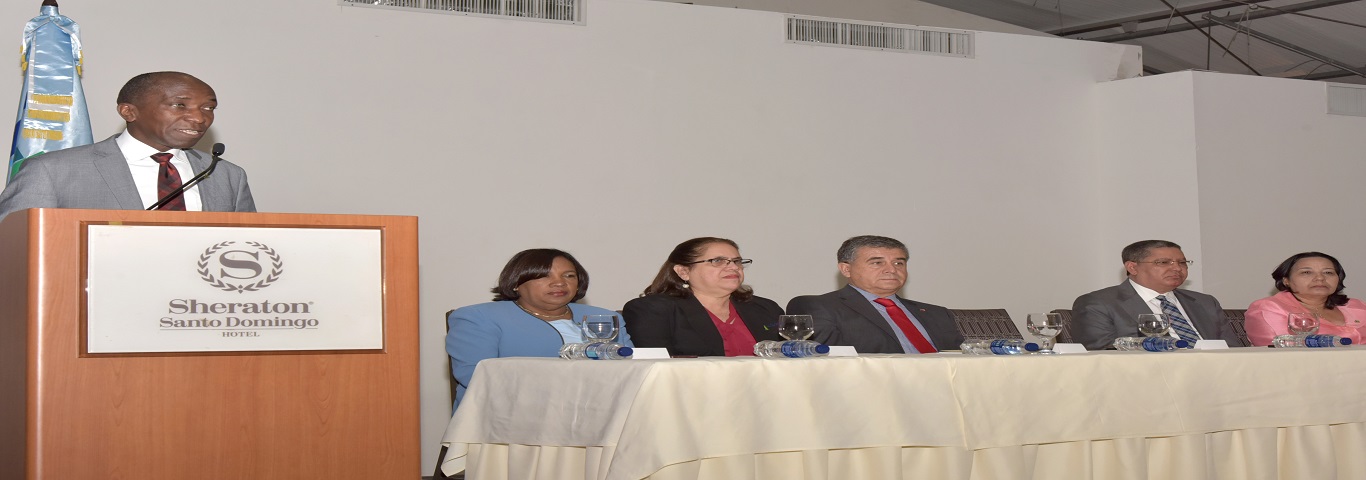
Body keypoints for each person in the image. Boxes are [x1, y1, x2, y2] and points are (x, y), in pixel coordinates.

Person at [0, 71, 254, 222]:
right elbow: (14, 248)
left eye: (208, 108)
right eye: (180, 105)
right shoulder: (51, 171)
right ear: (129, 111)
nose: (200, 118)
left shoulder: (227, 175)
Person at [446, 248, 632, 408]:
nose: (559, 283)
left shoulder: (606, 317)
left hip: (603, 411)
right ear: (517, 283)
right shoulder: (479, 318)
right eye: (544, 276)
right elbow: (479, 378)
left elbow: (631, 370)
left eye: (569, 276)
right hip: (513, 419)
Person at [786, 235, 962, 354]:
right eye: (877, 262)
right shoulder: (820, 307)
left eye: (899, 263)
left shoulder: (937, 313)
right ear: (846, 269)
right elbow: (829, 361)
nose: (891, 270)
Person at [622, 237, 783, 356]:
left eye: (737, 261)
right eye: (718, 261)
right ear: (683, 272)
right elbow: (657, 370)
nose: (733, 267)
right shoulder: (653, 310)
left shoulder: (765, 308)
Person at [1072, 239, 1240, 350]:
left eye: (1182, 262)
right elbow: (1101, 354)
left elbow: (1233, 349)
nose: (1177, 268)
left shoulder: (1205, 302)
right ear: (1133, 267)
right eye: (1163, 262)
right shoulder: (1098, 303)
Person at [1245, 252, 1366, 346]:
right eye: (1307, 272)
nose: (1320, 278)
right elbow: (1279, 350)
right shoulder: (1268, 308)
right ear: (1286, 280)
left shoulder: (1357, 306)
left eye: (1328, 273)